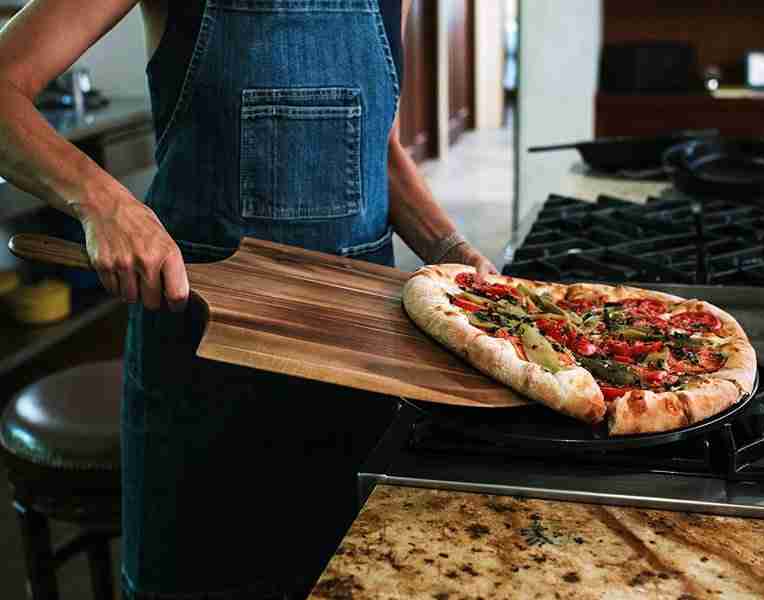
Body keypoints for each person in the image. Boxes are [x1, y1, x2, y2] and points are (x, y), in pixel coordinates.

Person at [0, 1, 497, 598]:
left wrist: (452, 247)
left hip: (361, 375)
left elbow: (377, 152)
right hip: (206, 385)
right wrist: (104, 204)